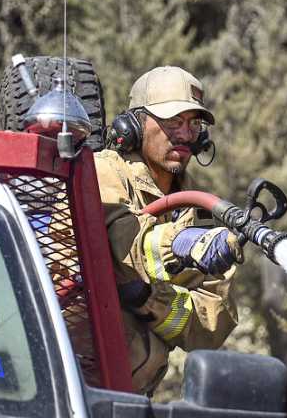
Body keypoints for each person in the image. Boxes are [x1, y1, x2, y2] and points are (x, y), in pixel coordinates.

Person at [91, 66, 242, 393]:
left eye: (194, 124)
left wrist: (150, 299)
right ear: (133, 125)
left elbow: (212, 324)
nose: (186, 135)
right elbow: (121, 245)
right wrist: (182, 245)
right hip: (79, 380)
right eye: (173, 122)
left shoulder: (201, 212)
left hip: (130, 402)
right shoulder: (102, 172)